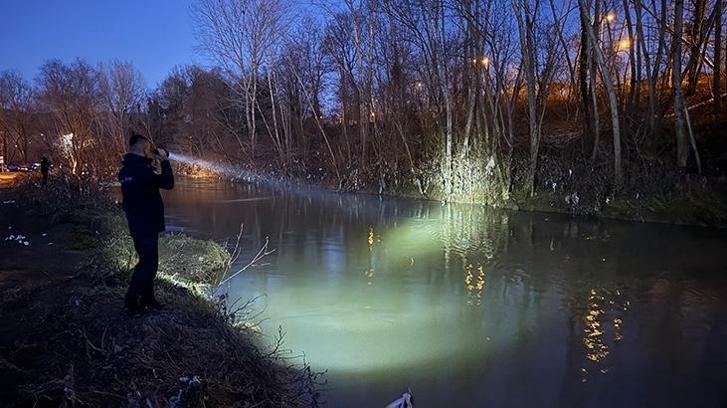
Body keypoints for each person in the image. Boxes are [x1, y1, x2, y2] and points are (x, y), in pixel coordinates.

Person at [118, 134, 174, 313]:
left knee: (151, 262)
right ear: (143, 148)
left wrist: (150, 163)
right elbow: (167, 183)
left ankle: (148, 299)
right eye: (148, 149)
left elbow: (142, 186)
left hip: (137, 222)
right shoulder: (141, 170)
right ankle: (131, 301)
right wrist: (164, 161)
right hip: (146, 222)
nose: (151, 151)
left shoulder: (127, 170)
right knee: (147, 263)